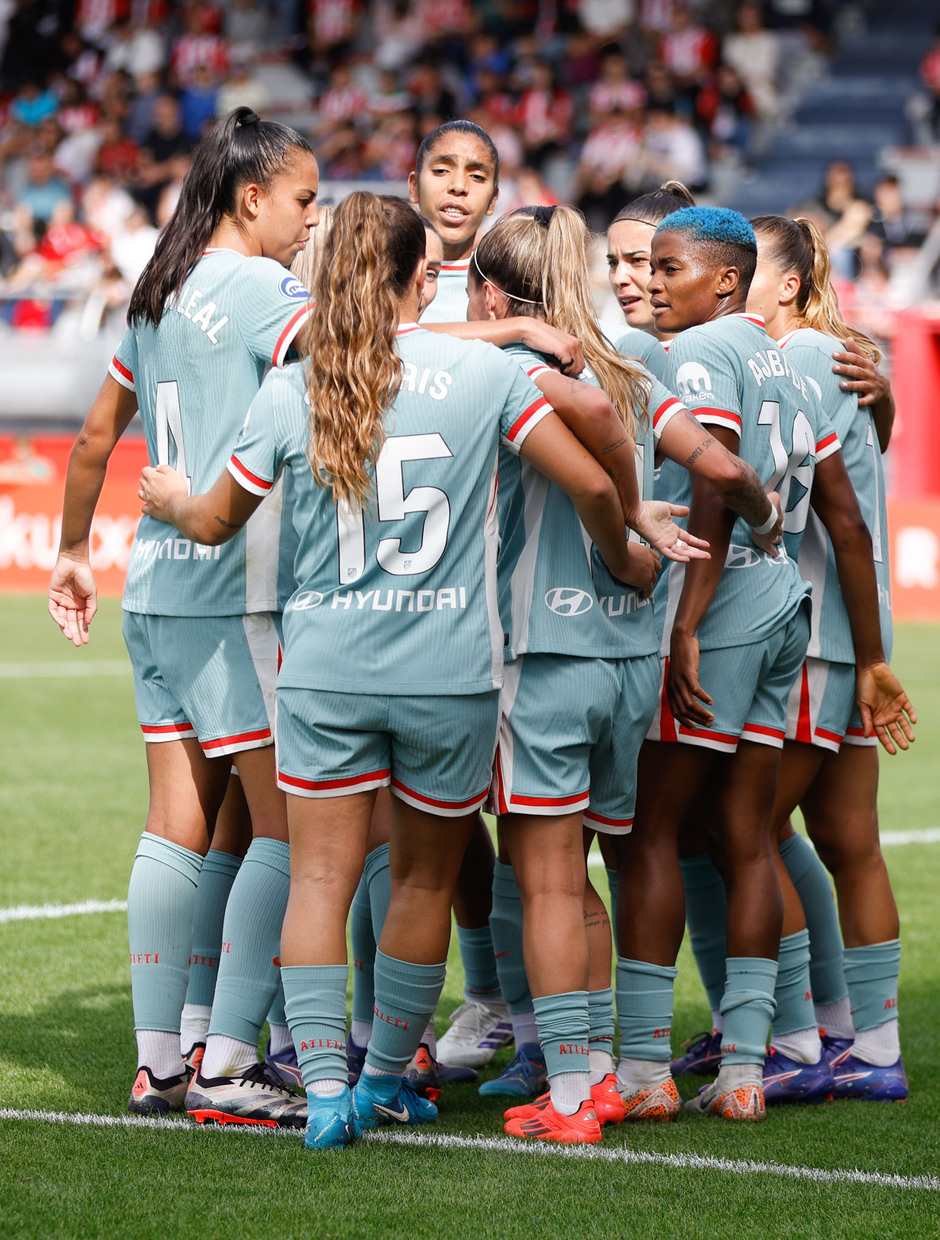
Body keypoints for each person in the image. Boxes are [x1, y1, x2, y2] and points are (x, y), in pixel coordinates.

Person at [137, 191, 694, 1150]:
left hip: (324, 672)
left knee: (319, 877)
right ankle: (388, 1079)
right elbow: (597, 476)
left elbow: (219, 520)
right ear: (420, 276)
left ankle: (320, 1092)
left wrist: (172, 500)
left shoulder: (300, 384)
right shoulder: (480, 371)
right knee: (425, 887)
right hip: (452, 674)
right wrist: (628, 551)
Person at [465, 204, 788, 1140]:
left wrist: (622, 528)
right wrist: (767, 522)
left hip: (544, 657)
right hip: (626, 668)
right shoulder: (636, 368)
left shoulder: (508, 369)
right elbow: (724, 472)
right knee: (609, 863)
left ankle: (572, 1090)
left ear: (492, 290)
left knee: (548, 881)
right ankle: (611, 1069)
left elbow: (375, 338)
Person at [48, 107, 320, 1127]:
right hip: (233, 589)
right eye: (302, 199)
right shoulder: (262, 289)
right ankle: (230, 1062)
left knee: (178, 825)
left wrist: (73, 552)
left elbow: (90, 440)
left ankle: (159, 1060)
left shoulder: (154, 293)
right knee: (291, 824)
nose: (309, 219)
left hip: (150, 585)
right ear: (253, 196)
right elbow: (355, 369)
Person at [612, 206, 913, 1123]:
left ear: (728, 282)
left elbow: (715, 477)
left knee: (651, 832)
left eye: (669, 267)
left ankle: (642, 1068)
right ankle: (748, 1065)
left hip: (728, 606)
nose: (653, 283)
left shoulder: (704, 354)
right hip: (791, 607)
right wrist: (871, 653)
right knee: (747, 834)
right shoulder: (796, 361)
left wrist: (688, 621)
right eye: (647, 266)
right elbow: (847, 516)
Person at [746, 214, 912, 1101]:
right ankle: (871, 1045)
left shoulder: (798, 360)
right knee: (852, 844)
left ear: (791, 287)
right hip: (852, 637)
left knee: (748, 832)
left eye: (749, 271)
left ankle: (799, 1039)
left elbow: (795, 506)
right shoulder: (834, 358)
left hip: (811, 638)